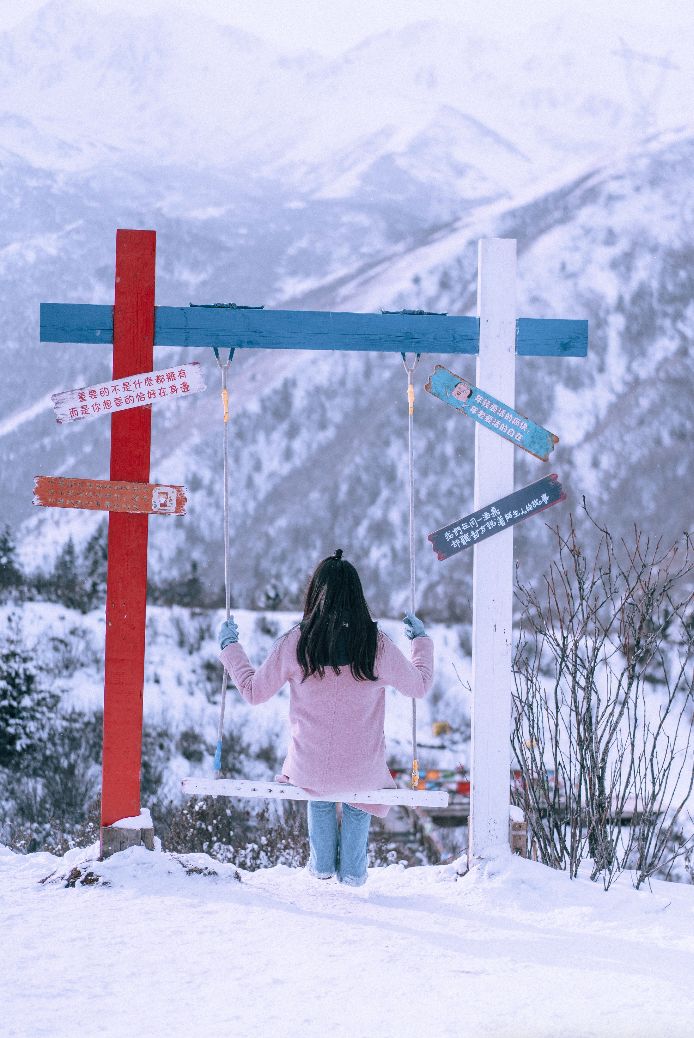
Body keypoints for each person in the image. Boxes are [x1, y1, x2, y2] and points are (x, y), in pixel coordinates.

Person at [217, 549, 433, 887]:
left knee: (317, 789)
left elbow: (252, 691)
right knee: (362, 791)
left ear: (315, 594)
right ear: (357, 597)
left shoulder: (297, 643)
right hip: (363, 771)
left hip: (309, 767)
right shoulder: (375, 645)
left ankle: (320, 867)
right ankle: (353, 872)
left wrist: (231, 648)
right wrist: (421, 642)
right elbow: (419, 686)